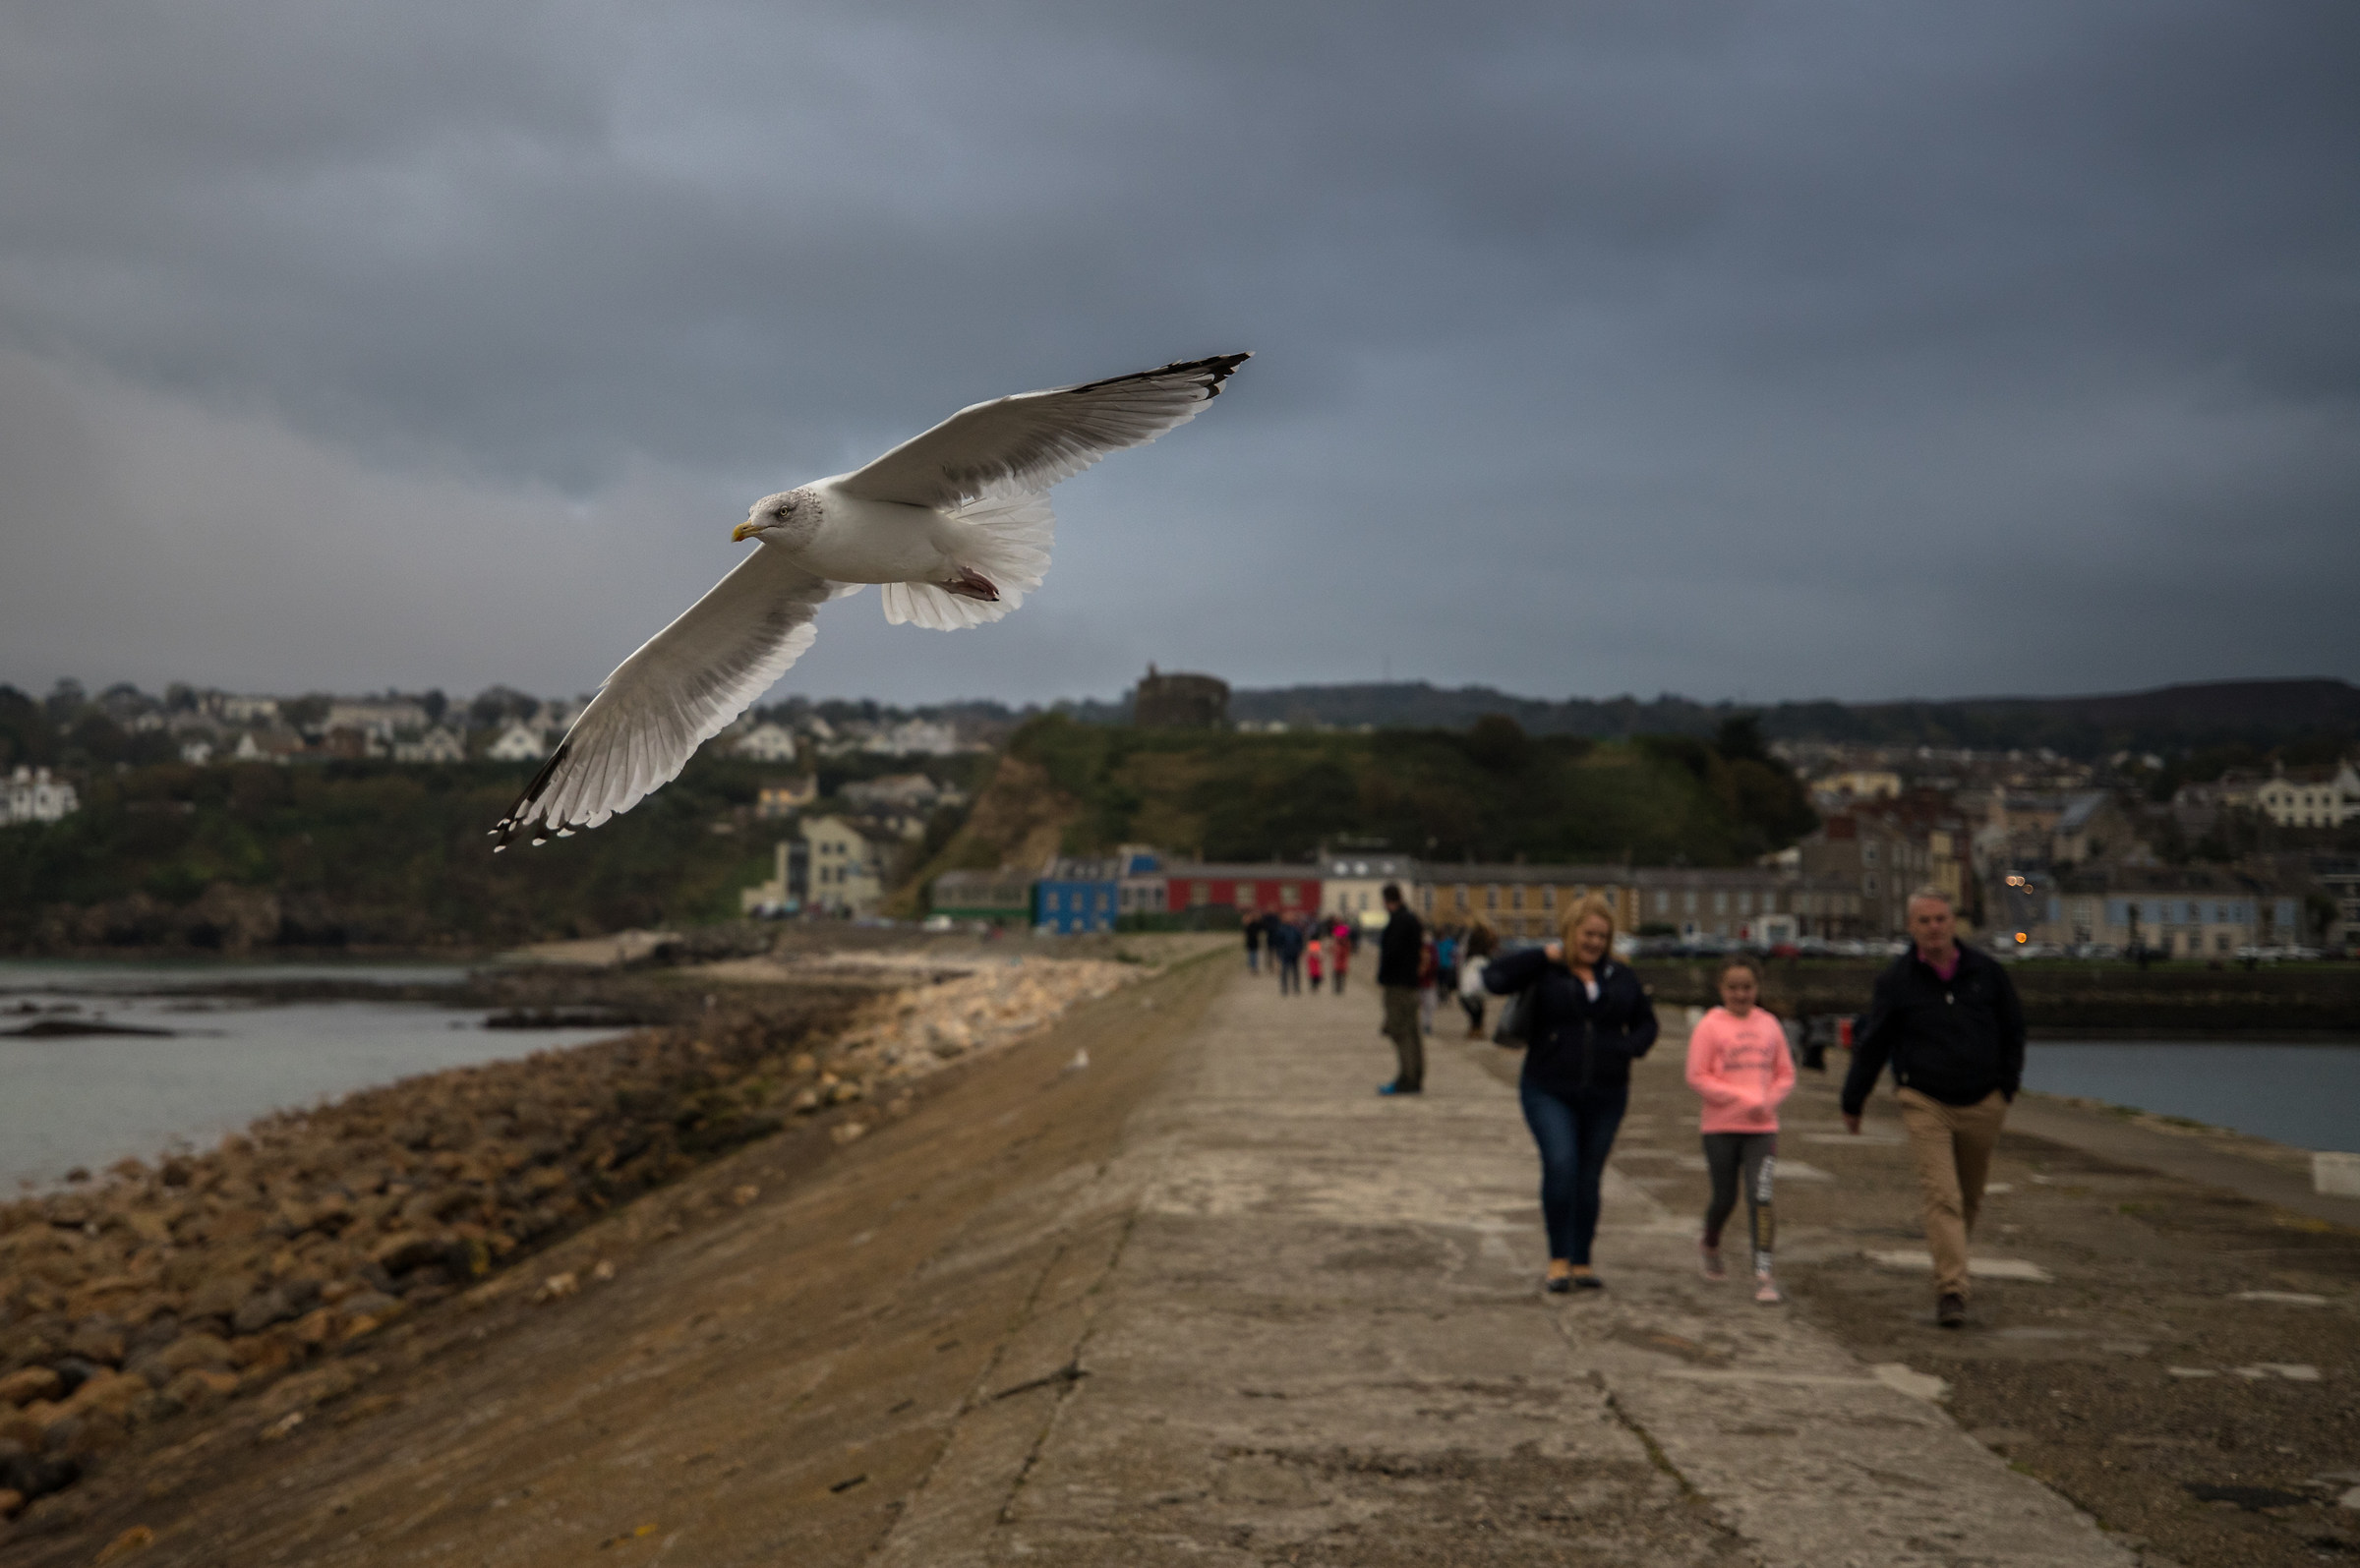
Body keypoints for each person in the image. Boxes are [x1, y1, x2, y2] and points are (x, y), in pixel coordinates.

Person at [1841, 886, 2026, 1329]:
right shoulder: (1896, 981)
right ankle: (1951, 1291)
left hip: (1983, 1100)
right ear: (1911, 927)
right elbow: (1875, 1043)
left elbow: (2013, 1031)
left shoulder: (1987, 973)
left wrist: (2006, 1089)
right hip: (1924, 1100)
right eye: (1924, 921)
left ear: (1952, 921)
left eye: (1940, 919)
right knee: (1941, 1196)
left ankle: (1952, 1263)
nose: (1933, 928)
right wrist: (1853, 1099)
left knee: (1968, 1197)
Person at [1485, 897, 1658, 1291]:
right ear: (1570, 932)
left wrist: (1628, 1049)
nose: (1595, 943)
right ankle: (1558, 1259)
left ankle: (1582, 1260)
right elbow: (1494, 979)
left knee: (1588, 1177)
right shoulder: (1546, 970)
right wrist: (1544, 954)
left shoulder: (1620, 976)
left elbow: (1647, 1023)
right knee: (1561, 1164)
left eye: (1602, 936)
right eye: (1588, 934)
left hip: (1607, 1093)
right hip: (1548, 1088)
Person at [1685, 956, 1796, 1305]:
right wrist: (1738, 1098)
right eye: (1733, 987)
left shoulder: (1769, 1025)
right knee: (1725, 1197)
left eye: (1747, 987)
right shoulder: (1710, 1026)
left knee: (1760, 1196)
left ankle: (1764, 1272)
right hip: (1720, 1127)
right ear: (1721, 989)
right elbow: (1697, 1075)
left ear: (1757, 989)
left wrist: (1768, 1100)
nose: (1740, 994)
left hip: (1762, 1129)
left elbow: (1785, 1074)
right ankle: (1710, 1242)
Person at [1376, 885, 1425, 1095]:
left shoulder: (1398, 922)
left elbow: (1392, 954)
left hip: (1398, 986)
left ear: (1386, 900)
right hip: (1411, 984)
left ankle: (1407, 1079)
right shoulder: (1412, 920)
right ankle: (1416, 1076)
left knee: (1400, 1032)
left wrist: (1382, 976)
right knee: (1413, 1034)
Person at [1457, 919, 1497, 1037]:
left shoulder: (1472, 947)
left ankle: (1476, 1028)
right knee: (1477, 1007)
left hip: (1471, 979)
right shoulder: (1481, 950)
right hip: (1474, 982)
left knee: (1475, 1006)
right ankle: (1476, 1028)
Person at [1270, 913, 1304, 996]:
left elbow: (1300, 940)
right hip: (1285, 953)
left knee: (1295, 971)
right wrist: (1279, 953)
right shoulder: (1281, 930)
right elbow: (1277, 942)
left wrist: (1299, 949)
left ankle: (1296, 987)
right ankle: (1284, 988)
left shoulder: (1295, 929)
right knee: (1284, 971)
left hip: (1294, 953)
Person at [1329, 916, 1351, 995]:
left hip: (1340, 959)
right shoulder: (1344, 930)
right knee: (1340, 974)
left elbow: (1335, 940)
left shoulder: (1339, 930)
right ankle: (1340, 988)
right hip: (1341, 959)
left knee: (1338, 974)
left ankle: (1338, 988)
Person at [1306, 926, 1327, 992]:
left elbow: (1309, 953)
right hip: (1315, 962)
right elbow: (1318, 953)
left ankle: (1314, 986)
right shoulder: (1316, 944)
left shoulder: (1311, 944)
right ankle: (1315, 986)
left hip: (1313, 962)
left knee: (1313, 975)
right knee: (1316, 974)